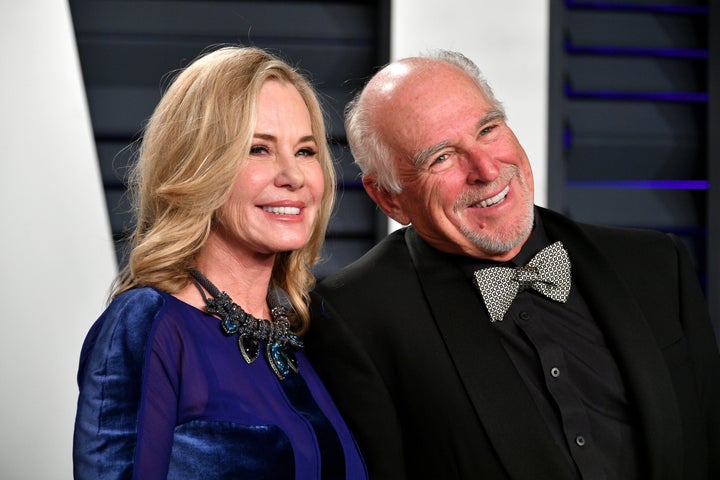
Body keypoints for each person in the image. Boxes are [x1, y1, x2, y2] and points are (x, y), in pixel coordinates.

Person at [305, 50, 720, 479]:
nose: (486, 169)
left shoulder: (655, 264)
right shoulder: (353, 318)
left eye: (488, 129)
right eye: (441, 157)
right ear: (388, 198)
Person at [73, 46, 367, 479]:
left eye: (305, 151)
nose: (294, 176)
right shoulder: (148, 325)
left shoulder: (306, 328)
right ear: (199, 165)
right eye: (258, 149)